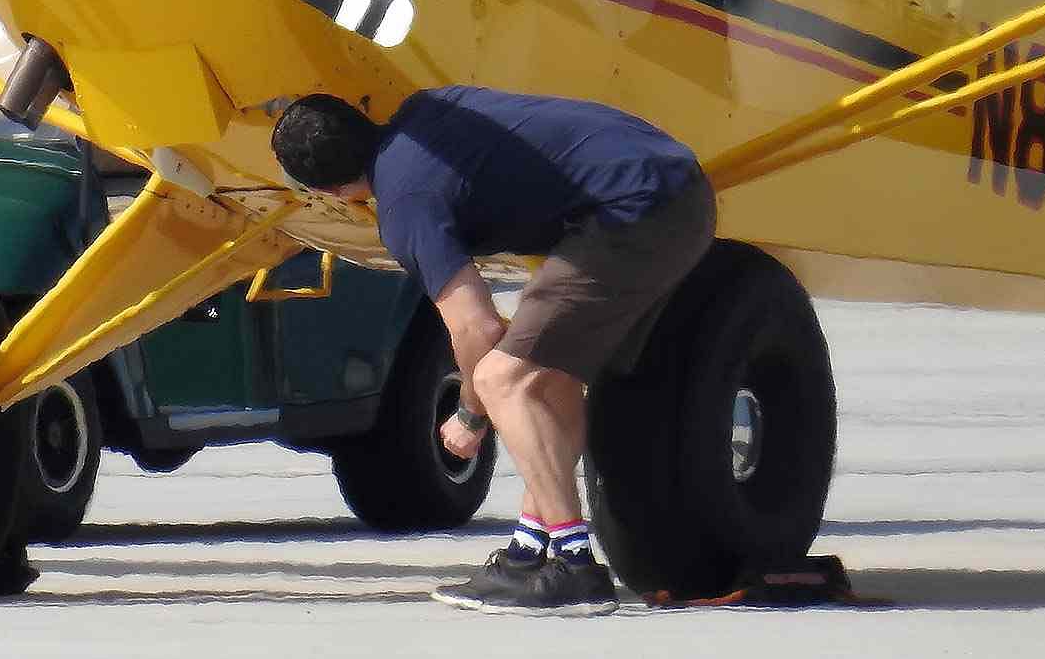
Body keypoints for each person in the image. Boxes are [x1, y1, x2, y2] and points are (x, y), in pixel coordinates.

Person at [269, 87, 716, 616]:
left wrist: (470, 415)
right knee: (550, 375)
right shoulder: (428, 108)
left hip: (637, 211)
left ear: (333, 192)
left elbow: (477, 327)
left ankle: (575, 566)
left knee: (502, 380)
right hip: (673, 186)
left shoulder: (404, 206)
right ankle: (530, 552)